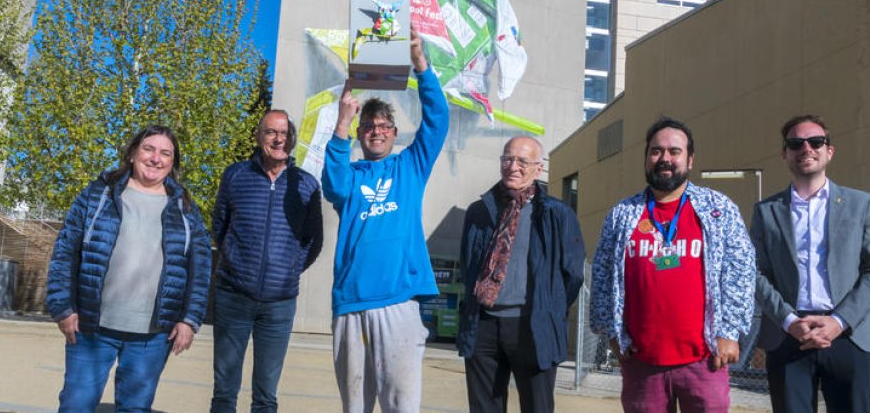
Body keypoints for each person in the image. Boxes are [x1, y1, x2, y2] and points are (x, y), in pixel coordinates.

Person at [590, 117, 754, 413]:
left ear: (689, 159)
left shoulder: (718, 209)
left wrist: (730, 332)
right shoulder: (622, 214)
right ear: (646, 158)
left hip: (704, 359)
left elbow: (741, 269)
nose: (664, 158)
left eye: (674, 151)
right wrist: (612, 332)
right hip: (642, 362)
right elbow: (601, 275)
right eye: (656, 151)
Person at [322, 33, 450, 412]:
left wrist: (419, 61)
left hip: (399, 303)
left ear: (395, 134)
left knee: (401, 405)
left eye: (384, 126)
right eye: (368, 126)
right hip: (351, 303)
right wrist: (343, 120)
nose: (376, 131)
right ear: (360, 135)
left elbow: (438, 121)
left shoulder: (410, 166)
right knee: (355, 407)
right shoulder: (350, 175)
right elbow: (332, 185)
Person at [46, 125, 212, 412]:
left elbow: (200, 269)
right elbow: (65, 251)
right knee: (76, 405)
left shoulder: (185, 208)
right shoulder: (99, 194)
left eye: (165, 153)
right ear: (134, 153)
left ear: (173, 163)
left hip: (153, 334)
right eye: (149, 149)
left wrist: (189, 320)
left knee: (135, 408)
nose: (155, 159)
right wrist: (62, 306)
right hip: (91, 327)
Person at [751, 115, 870, 413]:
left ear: (830, 151)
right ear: (785, 153)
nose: (806, 148)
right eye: (795, 143)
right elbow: (756, 274)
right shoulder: (766, 212)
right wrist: (789, 321)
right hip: (789, 337)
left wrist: (837, 322)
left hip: (850, 336)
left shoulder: (861, 204)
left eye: (816, 141)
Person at [458, 136, 585, 412]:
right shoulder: (479, 211)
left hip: (533, 326)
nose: (512, 166)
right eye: (507, 159)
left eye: (522, 161)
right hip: (484, 326)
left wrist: (549, 309)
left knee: (537, 407)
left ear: (538, 169)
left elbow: (572, 274)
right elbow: (467, 263)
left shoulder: (558, 214)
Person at [210, 110, 324, 413]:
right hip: (233, 296)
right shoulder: (235, 175)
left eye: (285, 133)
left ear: (293, 139)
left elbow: (313, 240)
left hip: (279, 303)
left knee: (266, 394)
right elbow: (219, 226)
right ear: (260, 136)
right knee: (224, 389)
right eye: (271, 132)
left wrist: (287, 270)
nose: (278, 139)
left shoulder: (307, 184)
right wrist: (236, 263)